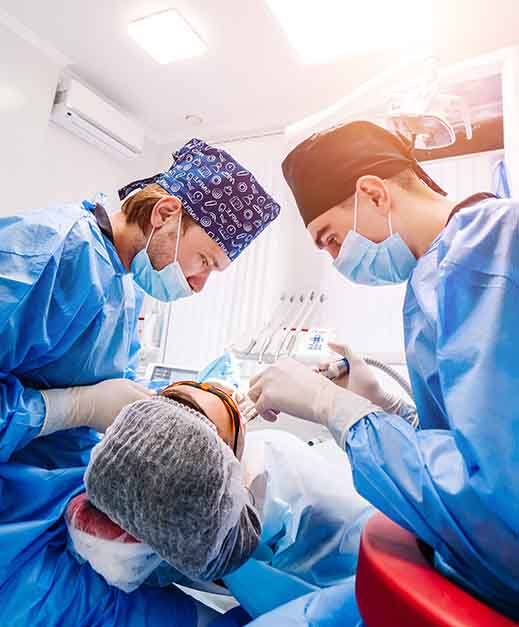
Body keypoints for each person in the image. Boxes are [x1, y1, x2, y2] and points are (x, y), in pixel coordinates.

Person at [0, 137, 280, 626]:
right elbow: (87, 401)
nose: (198, 284)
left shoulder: (120, 286)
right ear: (165, 214)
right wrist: (73, 408)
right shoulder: (54, 254)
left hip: (54, 510)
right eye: (205, 261)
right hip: (15, 540)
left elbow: (111, 392)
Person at [247, 121, 519, 624]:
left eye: (329, 238)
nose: (334, 259)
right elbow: (469, 443)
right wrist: (388, 406)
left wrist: (341, 412)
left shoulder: (487, 253)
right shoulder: (442, 271)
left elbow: (498, 501)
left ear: (373, 194)